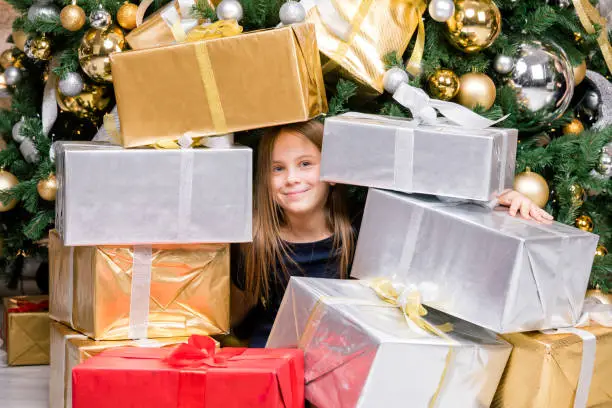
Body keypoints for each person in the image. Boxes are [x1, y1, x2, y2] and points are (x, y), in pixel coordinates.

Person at [231, 119, 553, 348]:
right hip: (273, 361)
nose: (291, 178)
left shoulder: (360, 233)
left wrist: (494, 200)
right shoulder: (258, 244)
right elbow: (237, 319)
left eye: (305, 164)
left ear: (331, 171)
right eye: (278, 168)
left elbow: (432, 213)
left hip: (340, 360)